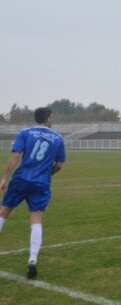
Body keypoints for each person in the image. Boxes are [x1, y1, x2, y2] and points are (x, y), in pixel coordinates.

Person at [0, 107, 66, 279]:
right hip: (41, 182)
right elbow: (59, 164)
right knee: (36, 219)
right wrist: (46, 174)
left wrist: (5, 178)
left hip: (21, 179)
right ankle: (32, 259)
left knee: (3, 212)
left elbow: (14, 156)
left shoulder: (25, 133)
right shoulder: (58, 138)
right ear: (49, 118)